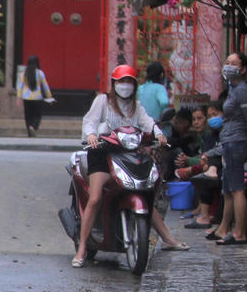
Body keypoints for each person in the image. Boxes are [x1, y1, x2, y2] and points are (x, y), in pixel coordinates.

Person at [71, 64, 189, 268]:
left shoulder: (136, 106)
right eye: (121, 81)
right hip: (101, 153)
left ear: (134, 85)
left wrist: (159, 134)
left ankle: (168, 239)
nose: (125, 86)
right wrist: (91, 135)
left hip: (127, 154)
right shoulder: (103, 101)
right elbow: (89, 121)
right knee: (96, 197)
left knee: (143, 190)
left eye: (129, 82)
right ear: (114, 84)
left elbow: (148, 123)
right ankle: (82, 248)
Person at [200, 52, 247, 244]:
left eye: (234, 63)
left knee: (236, 189)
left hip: (237, 141)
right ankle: (224, 228)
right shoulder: (233, 88)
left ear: (243, 69)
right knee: (227, 189)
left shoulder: (242, 90)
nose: (229, 66)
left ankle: (240, 233)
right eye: (227, 62)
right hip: (230, 141)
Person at [16, 54, 54, 137]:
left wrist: (19, 97)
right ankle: (33, 126)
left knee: (28, 115)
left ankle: (29, 130)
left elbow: (20, 87)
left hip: (26, 98)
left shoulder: (23, 74)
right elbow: (45, 86)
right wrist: (49, 96)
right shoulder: (40, 73)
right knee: (37, 114)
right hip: (37, 98)